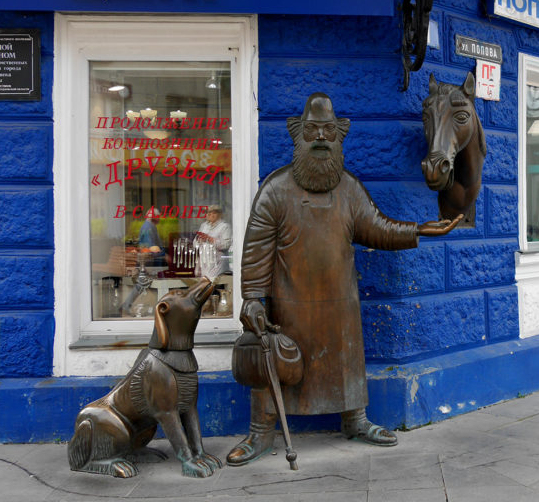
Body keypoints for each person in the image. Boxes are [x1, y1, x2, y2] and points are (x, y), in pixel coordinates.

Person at [226, 93, 460, 466]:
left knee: (347, 360)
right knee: (273, 361)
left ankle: (355, 420)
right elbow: (256, 251)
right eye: (312, 130)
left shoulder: (349, 189)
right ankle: (260, 433)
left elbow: (377, 228)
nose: (320, 137)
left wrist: (419, 230)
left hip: (340, 306)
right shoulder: (275, 190)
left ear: (339, 136)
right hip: (288, 308)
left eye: (328, 130)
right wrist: (252, 298)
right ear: (297, 135)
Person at [196, 204, 231, 276]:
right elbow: (196, 243)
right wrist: (199, 240)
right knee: (202, 283)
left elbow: (226, 244)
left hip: (218, 263)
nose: (211, 215)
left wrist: (210, 239)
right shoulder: (204, 225)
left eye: (214, 213)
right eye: (209, 213)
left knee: (213, 283)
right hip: (204, 262)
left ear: (220, 214)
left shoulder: (224, 226)